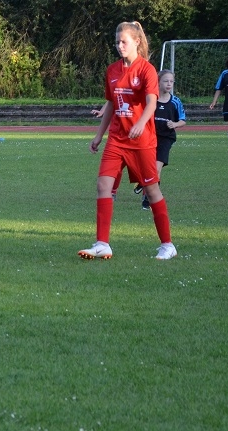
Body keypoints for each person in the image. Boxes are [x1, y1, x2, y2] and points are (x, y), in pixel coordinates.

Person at [79, 21, 177, 261]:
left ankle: (167, 245)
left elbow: (152, 102)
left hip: (142, 142)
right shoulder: (112, 70)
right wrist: (99, 135)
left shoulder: (146, 70)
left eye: (124, 41)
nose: (119, 46)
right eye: (117, 42)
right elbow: (112, 104)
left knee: (151, 190)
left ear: (137, 42)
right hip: (116, 140)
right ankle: (102, 244)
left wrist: (141, 123)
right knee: (103, 186)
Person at [139, 70, 186, 209]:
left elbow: (183, 120)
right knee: (147, 167)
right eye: (166, 81)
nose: (169, 84)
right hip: (149, 137)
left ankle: (148, 199)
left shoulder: (175, 102)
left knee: (156, 169)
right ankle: (144, 185)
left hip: (166, 138)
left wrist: (175, 124)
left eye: (171, 81)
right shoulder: (150, 99)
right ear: (158, 82)